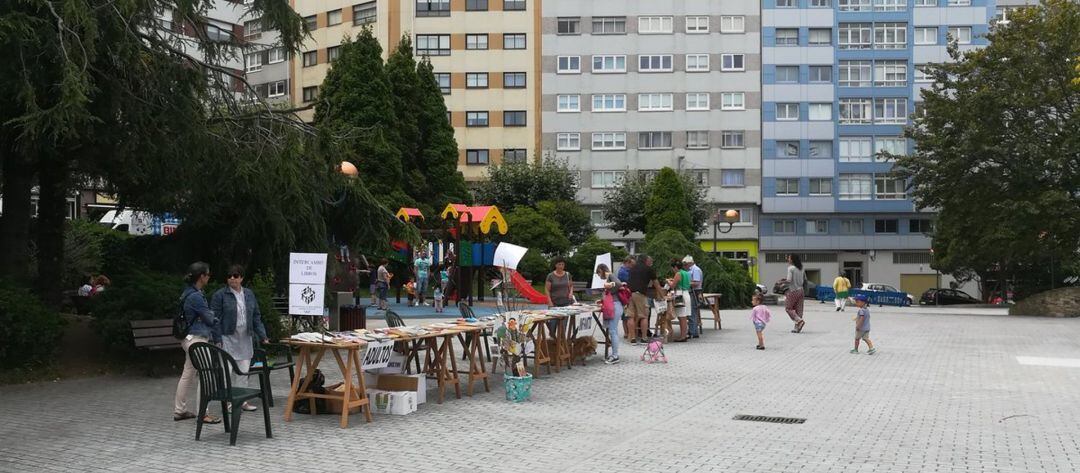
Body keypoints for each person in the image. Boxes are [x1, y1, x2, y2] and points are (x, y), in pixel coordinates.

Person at [210, 265, 269, 412]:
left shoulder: (249, 294)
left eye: (235, 276)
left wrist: (263, 335)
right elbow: (214, 319)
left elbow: (256, 316)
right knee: (227, 371)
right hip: (227, 337)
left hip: (244, 338)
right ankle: (228, 402)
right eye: (229, 276)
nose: (232, 279)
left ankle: (243, 401)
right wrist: (217, 338)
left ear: (241, 278)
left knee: (243, 371)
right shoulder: (220, 295)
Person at [173, 262, 221, 424]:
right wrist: (213, 315)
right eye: (208, 275)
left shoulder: (187, 293)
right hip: (197, 340)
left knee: (187, 374)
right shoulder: (196, 296)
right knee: (206, 374)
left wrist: (207, 315)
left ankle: (180, 410)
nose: (209, 277)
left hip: (188, 339)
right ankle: (203, 413)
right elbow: (209, 319)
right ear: (201, 276)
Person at [626, 255, 664, 346]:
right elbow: (656, 284)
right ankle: (644, 338)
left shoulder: (632, 268)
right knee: (644, 316)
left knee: (630, 316)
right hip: (640, 294)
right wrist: (662, 296)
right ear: (646, 261)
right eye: (650, 261)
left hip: (629, 293)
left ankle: (632, 338)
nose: (651, 262)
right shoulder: (648, 269)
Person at [595, 264, 621, 364]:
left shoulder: (610, 275)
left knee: (613, 331)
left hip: (615, 306)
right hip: (613, 305)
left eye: (598, 272)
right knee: (613, 331)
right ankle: (614, 354)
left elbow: (618, 284)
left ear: (601, 270)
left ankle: (615, 356)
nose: (598, 275)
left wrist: (610, 286)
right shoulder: (608, 277)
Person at [544, 257, 574, 334]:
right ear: (555, 265)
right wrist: (549, 301)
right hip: (554, 303)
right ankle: (553, 341)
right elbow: (547, 289)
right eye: (559, 264)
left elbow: (571, 286)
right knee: (552, 325)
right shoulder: (550, 276)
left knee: (563, 326)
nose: (561, 266)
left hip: (566, 303)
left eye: (562, 264)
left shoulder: (567, 274)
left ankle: (561, 342)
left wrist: (571, 293)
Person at [669, 260, 692, 342]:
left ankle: (682, 336)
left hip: (680, 295)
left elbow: (672, 286)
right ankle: (684, 334)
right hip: (686, 294)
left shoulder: (678, 273)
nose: (673, 270)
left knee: (681, 317)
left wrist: (668, 282)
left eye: (673, 268)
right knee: (684, 317)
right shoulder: (686, 273)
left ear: (675, 267)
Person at [785, 254, 807, 333]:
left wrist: (781, 282)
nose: (788, 259)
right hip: (801, 290)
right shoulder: (801, 268)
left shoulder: (791, 268)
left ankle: (799, 321)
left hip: (793, 290)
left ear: (792, 260)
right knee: (799, 310)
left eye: (789, 258)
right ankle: (797, 328)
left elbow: (789, 280)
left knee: (788, 308)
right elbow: (804, 279)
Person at [683, 255, 703, 338]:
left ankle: (693, 332)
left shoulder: (696, 270)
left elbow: (696, 283)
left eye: (686, 264)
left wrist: (685, 282)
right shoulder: (691, 269)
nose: (685, 266)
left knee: (692, 313)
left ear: (690, 263)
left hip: (695, 292)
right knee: (691, 312)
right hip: (692, 291)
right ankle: (693, 331)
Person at [617, 256, 634, 339]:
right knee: (625, 315)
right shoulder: (623, 271)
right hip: (625, 295)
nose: (632, 266)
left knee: (626, 314)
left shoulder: (625, 270)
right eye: (631, 264)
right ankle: (626, 333)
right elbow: (630, 281)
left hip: (626, 294)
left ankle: (628, 332)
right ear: (627, 263)